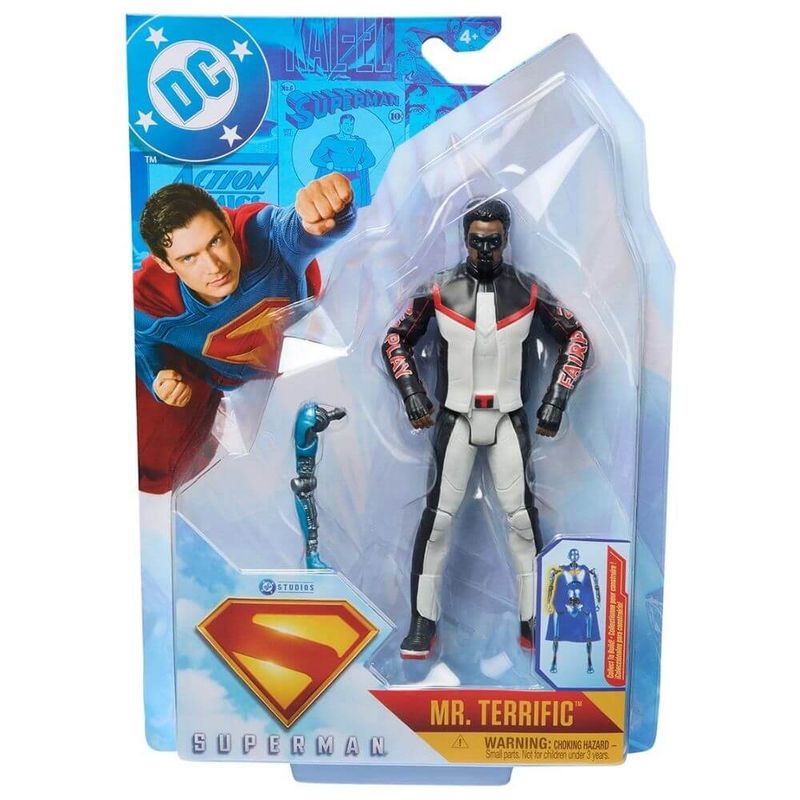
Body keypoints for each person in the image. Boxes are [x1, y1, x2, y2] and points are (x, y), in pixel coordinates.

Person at [382, 198, 591, 658]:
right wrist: (412, 391)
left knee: (521, 521)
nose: (484, 251)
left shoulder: (528, 290)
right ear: (464, 239)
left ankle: (533, 619)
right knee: (438, 521)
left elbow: (577, 338)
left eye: (493, 242)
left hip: (508, 417)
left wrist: (556, 399)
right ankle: (422, 622)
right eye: (476, 241)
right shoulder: (439, 288)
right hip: (454, 417)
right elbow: (394, 339)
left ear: (505, 240)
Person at [134, 173, 355, 493]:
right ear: (165, 264)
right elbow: (140, 339)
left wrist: (328, 209)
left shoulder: (262, 240)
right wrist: (157, 377)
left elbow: (299, 229)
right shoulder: (155, 303)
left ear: (226, 223)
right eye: (189, 258)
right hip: (233, 396)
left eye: (215, 241)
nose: (214, 266)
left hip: (310, 364)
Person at [310, 114, 376, 206]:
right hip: (335, 178)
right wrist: (326, 164)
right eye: (346, 124)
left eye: (351, 124)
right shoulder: (330, 141)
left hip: (354, 177)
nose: (349, 127)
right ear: (340, 125)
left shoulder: (360, 142)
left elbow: (371, 159)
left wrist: (362, 166)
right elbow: (314, 158)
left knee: (356, 205)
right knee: (333, 206)